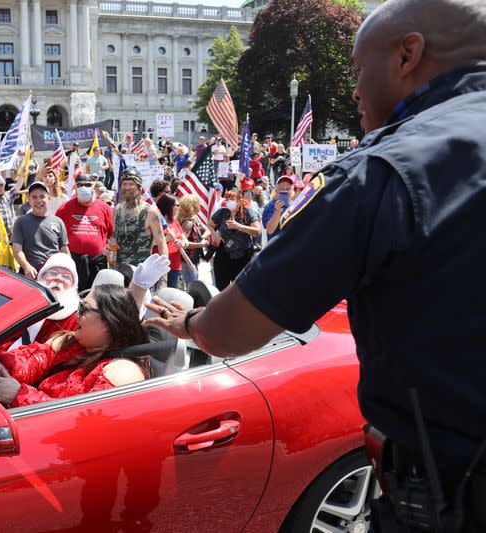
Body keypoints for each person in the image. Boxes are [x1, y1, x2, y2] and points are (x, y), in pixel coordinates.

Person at [145, 1, 486, 530]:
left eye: (356, 69)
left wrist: (189, 324)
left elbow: (233, 330)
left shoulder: (383, 172)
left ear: (407, 54)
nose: (352, 92)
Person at [0, 284, 150, 407]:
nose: (76, 316)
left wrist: (19, 395)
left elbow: (84, 422)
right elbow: (32, 360)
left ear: (108, 323)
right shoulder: (71, 342)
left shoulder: (122, 372)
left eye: (83, 309)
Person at [56, 174, 114, 291]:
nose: (83, 187)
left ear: (94, 187)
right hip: (73, 260)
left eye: (87, 185)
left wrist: (112, 257)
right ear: (75, 187)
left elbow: (113, 235)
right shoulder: (64, 208)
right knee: (73, 292)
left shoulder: (105, 208)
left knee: (97, 295)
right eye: (80, 185)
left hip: (98, 261)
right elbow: (55, 234)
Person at [12, 182, 69, 278]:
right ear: (29, 200)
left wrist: (69, 271)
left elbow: (64, 250)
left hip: (53, 276)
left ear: (49, 199)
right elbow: (17, 250)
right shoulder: (21, 221)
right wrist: (27, 267)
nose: (39, 200)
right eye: (34, 197)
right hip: (30, 276)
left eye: (42, 196)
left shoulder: (58, 222)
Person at [111, 169, 166, 268]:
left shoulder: (150, 212)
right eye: (125, 184)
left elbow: (162, 244)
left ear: (139, 188)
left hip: (141, 273)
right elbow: (114, 238)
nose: (127, 187)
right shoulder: (117, 210)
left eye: (131, 184)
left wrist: (163, 277)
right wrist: (110, 247)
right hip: (119, 272)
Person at [208, 190, 260, 290]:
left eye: (232, 199)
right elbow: (209, 224)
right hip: (224, 254)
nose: (229, 202)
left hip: (242, 256)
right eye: (227, 199)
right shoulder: (222, 212)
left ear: (240, 201)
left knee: (240, 290)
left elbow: (257, 231)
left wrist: (239, 226)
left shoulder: (248, 212)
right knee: (221, 288)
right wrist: (215, 234)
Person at [177, 194, 208, 288]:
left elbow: (208, 230)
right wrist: (200, 244)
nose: (200, 205)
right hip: (187, 260)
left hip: (193, 259)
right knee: (193, 287)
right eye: (197, 203)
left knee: (194, 285)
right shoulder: (188, 223)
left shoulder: (195, 219)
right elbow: (184, 243)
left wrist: (200, 237)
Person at [261, 175, 295, 240]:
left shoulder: (295, 205)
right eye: (281, 189)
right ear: (276, 191)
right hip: (277, 248)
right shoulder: (270, 206)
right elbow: (270, 230)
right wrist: (277, 211)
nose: (285, 191)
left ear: (292, 191)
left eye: (288, 189)